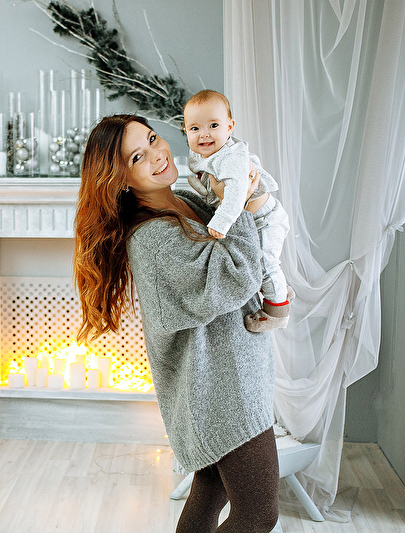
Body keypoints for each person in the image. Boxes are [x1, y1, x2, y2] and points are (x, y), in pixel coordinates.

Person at [73, 114, 279, 532]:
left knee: (208, 492)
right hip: (222, 392)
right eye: (137, 156)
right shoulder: (152, 239)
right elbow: (236, 276)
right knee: (258, 515)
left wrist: (233, 197)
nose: (157, 154)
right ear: (120, 179)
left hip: (229, 381)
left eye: (152, 139)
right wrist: (236, 200)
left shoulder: (185, 199)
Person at [183, 89, 292, 332]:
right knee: (263, 265)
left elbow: (235, 195)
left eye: (213, 125)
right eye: (195, 128)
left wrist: (220, 222)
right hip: (254, 219)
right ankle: (279, 291)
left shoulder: (231, 157)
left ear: (230, 127)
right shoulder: (204, 151)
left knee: (264, 263)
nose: (204, 134)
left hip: (265, 219)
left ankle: (277, 312)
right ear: (186, 130)